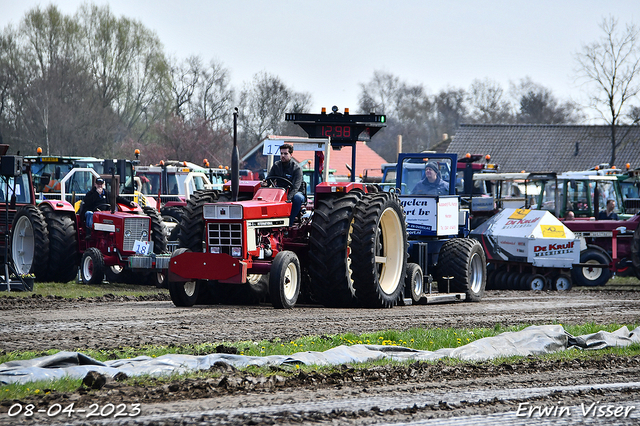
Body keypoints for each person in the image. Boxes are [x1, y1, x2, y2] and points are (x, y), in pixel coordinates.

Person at [264, 143, 304, 223]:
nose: (283, 155)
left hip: (295, 192)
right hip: (280, 191)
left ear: (291, 155)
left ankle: (290, 221)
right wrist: (265, 184)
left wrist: (287, 198)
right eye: (281, 153)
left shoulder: (297, 168)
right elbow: (269, 180)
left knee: (297, 198)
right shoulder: (276, 165)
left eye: (285, 154)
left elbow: (296, 187)